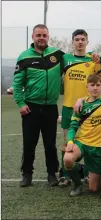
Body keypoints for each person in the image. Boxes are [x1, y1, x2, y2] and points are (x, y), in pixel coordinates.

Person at [13, 24, 63, 187]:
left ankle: (52, 174)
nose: (41, 38)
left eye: (44, 35)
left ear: (48, 36)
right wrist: (20, 103)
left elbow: (76, 61)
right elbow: (17, 82)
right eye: (38, 35)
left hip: (50, 107)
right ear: (33, 37)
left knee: (50, 143)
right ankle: (27, 174)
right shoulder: (24, 56)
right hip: (31, 107)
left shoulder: (57, 55)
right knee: (29, 143)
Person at [59, 29, 101, 186]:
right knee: (67, 142)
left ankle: (87, 172)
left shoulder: (93, 60)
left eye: (82, 39)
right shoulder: (65, 59)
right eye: (76, 39)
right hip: (69, 106)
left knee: (88, 141)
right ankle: (65, 174)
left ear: (87, 42)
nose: (79, 42)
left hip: (89, 107)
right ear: (72, 42)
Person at [63, 74, 101, 196]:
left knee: (94, 189)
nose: (95, 88)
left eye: (98, 85)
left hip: (99, 147)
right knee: (67, 159)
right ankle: (77, 185)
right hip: (82, 142)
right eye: (92, 85)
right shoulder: (81, 105)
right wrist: (70, 141)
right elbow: (73, 126)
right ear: (87, 86)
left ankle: (82, 169)